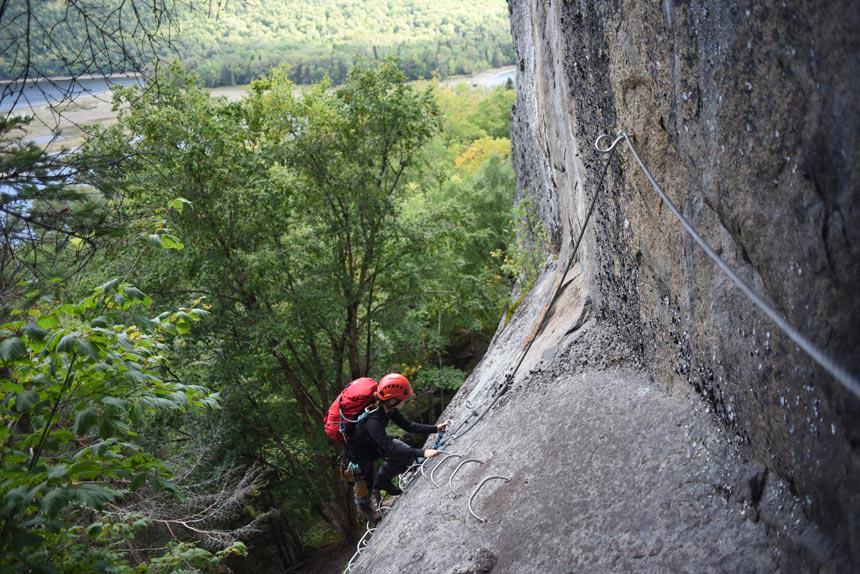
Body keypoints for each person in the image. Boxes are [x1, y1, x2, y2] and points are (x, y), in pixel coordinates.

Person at [346, 373, 451, 521]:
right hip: (359, 454)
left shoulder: (389, 409)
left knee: (406, 455)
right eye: (403, 399)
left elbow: (408, 425)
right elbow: (389, 447)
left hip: (376, 444)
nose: (406, 401)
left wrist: (435, 428)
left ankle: (382, 479)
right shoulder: (373, 419)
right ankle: (366, 511)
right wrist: (423, 452)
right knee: (364, 485)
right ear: (392, 400)